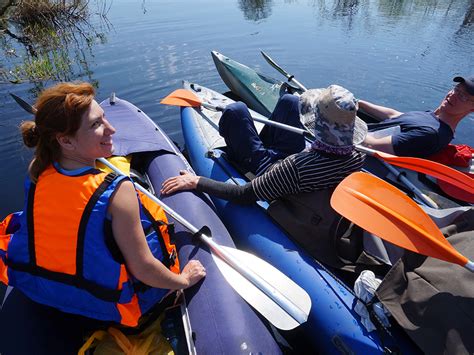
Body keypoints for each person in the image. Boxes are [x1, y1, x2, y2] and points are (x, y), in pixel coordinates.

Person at [0, 82, 205, 327]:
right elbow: (143, 269)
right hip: (106, 306)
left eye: (104, 118)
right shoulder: (118, 191)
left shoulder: (38, 170)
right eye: (96, 124)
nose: (112, 128)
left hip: (45, 292)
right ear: (65, 142)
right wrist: (183, 280)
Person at [161, 85, 367, 204]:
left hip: (269, 171)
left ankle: (244, 148)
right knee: (289, 101)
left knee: (237, 111)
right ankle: (262, 142)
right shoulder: (358, 157)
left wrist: (196, 182)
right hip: (297, 161)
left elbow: (243, 195)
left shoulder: (295, 168)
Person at [360, 75, 474, 158]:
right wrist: (359, 103)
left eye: (462, 96)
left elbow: (370, 145)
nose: (453, 95)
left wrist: (346, 122)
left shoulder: (430, 134)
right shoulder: (433, 117)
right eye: (456, 89)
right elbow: (394, 115)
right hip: (363, 133)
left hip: (356, 148)